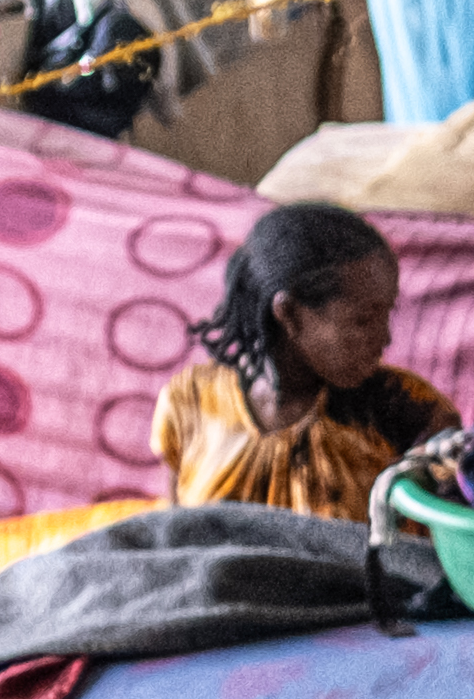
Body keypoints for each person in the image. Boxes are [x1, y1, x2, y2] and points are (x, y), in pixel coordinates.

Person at [151, 200, 451, 517]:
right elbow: (173, 531)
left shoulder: (408, 410)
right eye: (363, 320)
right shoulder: (191, 400)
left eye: (387, 314)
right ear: (290, 314)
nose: (385, 338)